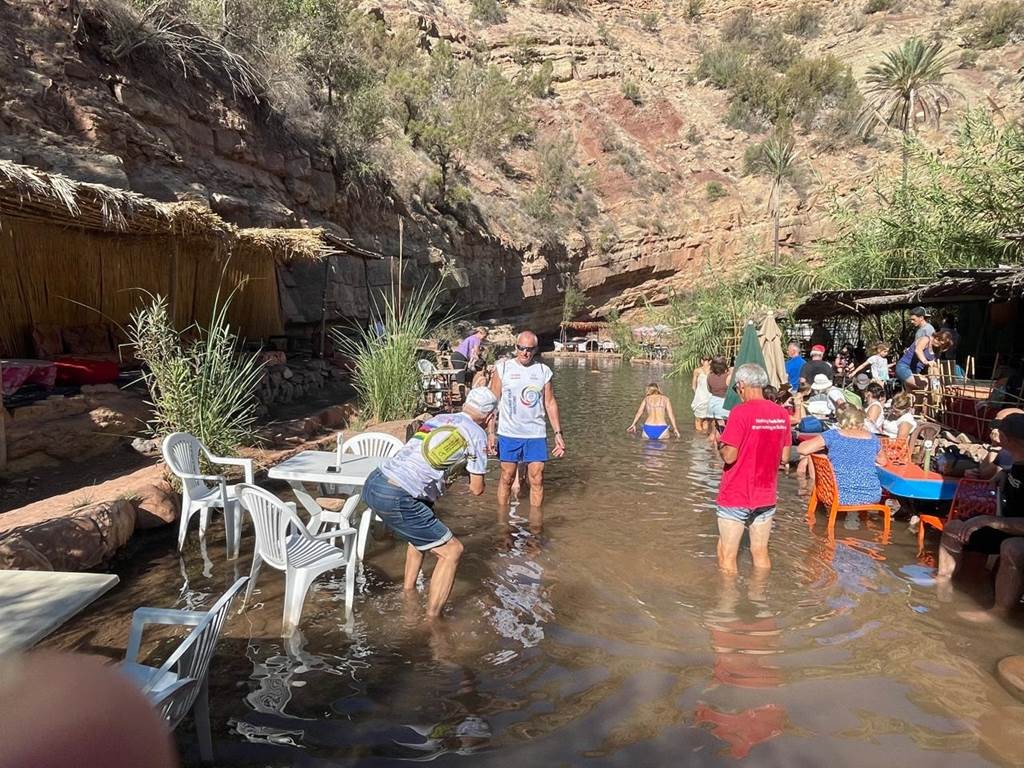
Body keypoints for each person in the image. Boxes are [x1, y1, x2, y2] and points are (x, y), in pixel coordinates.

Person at [361, 387, 497, 619]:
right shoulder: (476, 434)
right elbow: (477, 489)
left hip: (374, 482)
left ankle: (408, 594)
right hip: (398, 495)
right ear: (490, 416)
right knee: (452, 551)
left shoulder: (439, 418)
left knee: (421, 535)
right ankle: (432, 621)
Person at [937, 413, 1024, 620]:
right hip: (1007, 527)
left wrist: (987, 520)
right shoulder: (1013, 460)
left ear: (1005, 437)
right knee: (954, 528)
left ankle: (999, 612)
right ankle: (942, 580)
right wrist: (1003, 473)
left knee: (1012, 547)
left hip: (1014, 532)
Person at [712, 363, 791, 573]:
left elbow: (729, 457)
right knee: (761, 552)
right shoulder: (781, 414)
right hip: (766, 493)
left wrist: (720, 443)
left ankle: (726, 603)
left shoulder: (740, 412)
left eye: (737, 389)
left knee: (726, 555)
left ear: (742, 385)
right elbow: (784, 457)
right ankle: (760, 600)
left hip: (737, 492)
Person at [489, 331, 565, 511]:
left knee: (537, 478)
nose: (525, 352)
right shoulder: (503, 369)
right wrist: (490, 433)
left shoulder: (543, 371)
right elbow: (492, 402)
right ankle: (503, 522)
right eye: (521, 348)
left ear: (536, 350)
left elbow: (550, 402)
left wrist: (558, 433)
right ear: (515, 348)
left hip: (535, 433)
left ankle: (536, 525)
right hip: (508, 433)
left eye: (529, 349)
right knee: (507, 477)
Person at [798, 406, 886, 505]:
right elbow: (883, 461)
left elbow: (802, 449)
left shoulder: (833, 435)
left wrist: (825, 449)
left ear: (841, 421)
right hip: (870, 495)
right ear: (861, 423)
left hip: (836, 495)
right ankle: (863, 519)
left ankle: (823, 516)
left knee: (818, 454)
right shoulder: (873, 438)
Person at [966, 408, 1024, 481]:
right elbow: (983, 470)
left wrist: (995, 446)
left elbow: (985, 474)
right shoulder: (1008, 449)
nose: (993, 429)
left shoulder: (1010, 452)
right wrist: (994, 445)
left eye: (998, 425)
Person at [706, 356, 732, 429]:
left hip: (712, 404)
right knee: (723, 433)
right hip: (723, 406)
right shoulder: (728, 377)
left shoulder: (709, 376)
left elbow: (709, 390)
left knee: (713, 432)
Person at [691, 357, 712, 433]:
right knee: (706, 420)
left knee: (698, 420)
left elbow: (693, 386)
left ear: (701, 361)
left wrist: (696, 394)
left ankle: (698, 439)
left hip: (700, 397)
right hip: (709, 397)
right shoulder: (712, 371)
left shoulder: (697, 371)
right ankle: (704, 440)